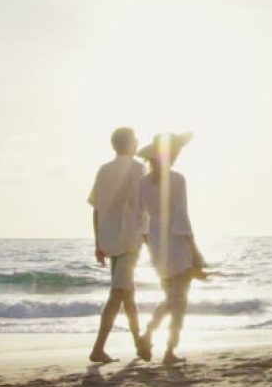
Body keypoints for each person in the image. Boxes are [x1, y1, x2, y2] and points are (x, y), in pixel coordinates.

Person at [137, 132, 204, 365]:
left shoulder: (142, 183)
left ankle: (148, 334)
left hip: (156, 240)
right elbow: (181, 217)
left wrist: (150, 244)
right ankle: (168, 350)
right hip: (176, 241)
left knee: (171, 296)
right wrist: (194, 249)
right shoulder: (177, 179)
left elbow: (140, 219)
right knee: (179, 299)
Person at [87, 127, 151, 363]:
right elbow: (143, 204)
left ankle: (139, 343)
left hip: (109, 241)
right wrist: (148, 235)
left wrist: (98, 243)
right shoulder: (138, 168)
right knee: (118, 294)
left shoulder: (103, 170)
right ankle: (98, 348)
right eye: (136, 141)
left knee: (128, 294)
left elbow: (96, 209)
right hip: (130, 240)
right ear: (131, 144)